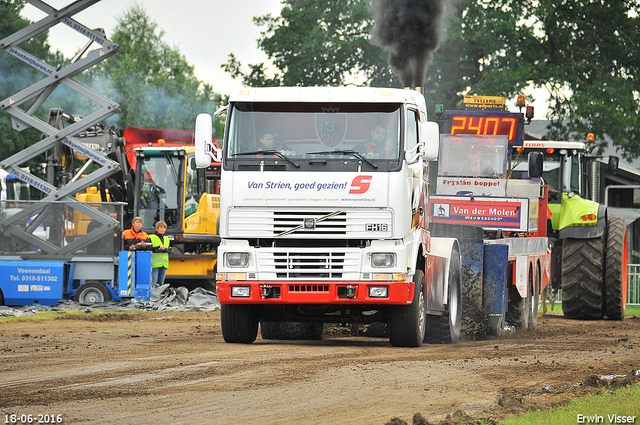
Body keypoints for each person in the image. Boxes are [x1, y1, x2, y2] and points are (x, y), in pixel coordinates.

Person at [149, 221, 171, 287]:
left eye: (164, 228)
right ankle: (153, 296)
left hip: (164, 264)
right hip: (155, 264)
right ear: (157, 228)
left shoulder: (166, 238)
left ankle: (159, 296)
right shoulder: (151, 237)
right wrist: (158, 247)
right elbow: (149, 248)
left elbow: (168, 249)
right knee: (154, 283)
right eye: (161, 228)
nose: (163, 229)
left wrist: (169, 249)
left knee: (161, 283)